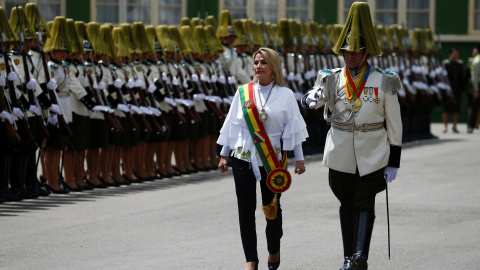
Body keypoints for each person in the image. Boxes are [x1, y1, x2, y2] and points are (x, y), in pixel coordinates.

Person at [302, 2, 402, 270]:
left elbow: (394, 124)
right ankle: (348, 257)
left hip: (373, 152)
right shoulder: (331, 78)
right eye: (346, 52)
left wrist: (394, 159)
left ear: (366, 52)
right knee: (346, 202)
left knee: (364, 202)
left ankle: (360, 256)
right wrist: (310, 98)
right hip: (340, 151)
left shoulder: (384, 79)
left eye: (355, 52)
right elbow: (313, 99)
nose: (350, 57)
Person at [217, 47, 308, 270]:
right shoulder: (243, 92)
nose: (258, 66)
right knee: (245, 209)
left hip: (272, 159)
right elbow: (232, 124)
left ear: (273, 67)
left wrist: (299, 159)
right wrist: (223, 154)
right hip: (243, 156)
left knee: (272, 209)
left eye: (263, 63)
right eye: (256, 62)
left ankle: (273, 249)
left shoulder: (285, 94)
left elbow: (294, 127)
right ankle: (251, 259)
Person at [442, 48, 464, 133]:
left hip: (456, 89)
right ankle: (445, 126)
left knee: (456, 108)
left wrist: (462, 89)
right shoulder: (446, 64)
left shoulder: (459, 64)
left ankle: (455, 126)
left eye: (457, 55)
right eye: (454, 55)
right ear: (450, 55)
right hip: (447, 89)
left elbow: (461, 78)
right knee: (446, 108)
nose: (456, 56)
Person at [468, 45, 480, 133]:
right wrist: (476, 89)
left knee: (475, 107)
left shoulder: (476, 60)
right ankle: (471, 126)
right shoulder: (477, 61)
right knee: (475, 107)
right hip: (478, 85)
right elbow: (474, 77)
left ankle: (471, 126)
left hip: (477, 85)